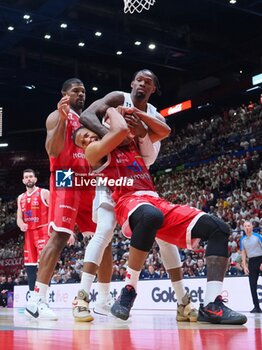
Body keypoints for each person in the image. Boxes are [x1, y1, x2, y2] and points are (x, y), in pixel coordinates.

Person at [73, 106, 247, 325]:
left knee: (220, 228)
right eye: (83, 139)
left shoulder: (131, 142)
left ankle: (212, 304)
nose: (88, 139)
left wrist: (138, 112)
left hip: (156, 199)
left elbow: (164, 131)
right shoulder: (95, 151)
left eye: (89, 134)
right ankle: (129, 289)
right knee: (150, 216)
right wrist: (111, 108)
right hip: (129, 200)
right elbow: (119, 129)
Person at [72, 69, 197, 323]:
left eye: (148, 82)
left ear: (153, 90)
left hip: (139, 179)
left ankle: (182, 301)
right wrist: (113, 137)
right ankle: (82, 297)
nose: (142, 83)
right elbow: (86, 115)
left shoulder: (153, 116)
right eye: (139, 79)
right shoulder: (118, 97)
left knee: (165, 238)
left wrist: (138, 133)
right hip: (112, 175)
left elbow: (154, 149)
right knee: (104, 231)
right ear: (131, 83)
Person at [25, 78, 98, 320]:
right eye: (76, 91)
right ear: (64, 93)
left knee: (101, 237)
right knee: (59, 236)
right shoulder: (56, 116)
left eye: (84, 91)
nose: (81, 94)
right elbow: (53, 151)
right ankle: (36, 299)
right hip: (66, 174)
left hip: (87, 178)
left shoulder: (86, 119)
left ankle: (103, 297)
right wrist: (62, 118)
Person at [17, 169, 49, 302]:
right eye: (26, 177)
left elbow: (54, 211)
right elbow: (19, 218)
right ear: (23, 181)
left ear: (35, 179)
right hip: (28, 235)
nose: (29, 179)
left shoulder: (44, 192)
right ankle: (32, 299)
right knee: (30, 267)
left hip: (43, 231)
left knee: (44, 265)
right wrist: (21, 224)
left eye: (31, 176)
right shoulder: (20, 197)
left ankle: (44, 298)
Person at [240, 221, 262, 313]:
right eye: (245, 226)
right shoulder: (242, 239)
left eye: (248, 226)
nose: (247, 228)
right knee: (252, 285)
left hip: (260, 259)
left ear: (252, 227)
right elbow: (243, 253)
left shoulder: (258, 237)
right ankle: (256, 307)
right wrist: (245, 265)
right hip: (252, 261)